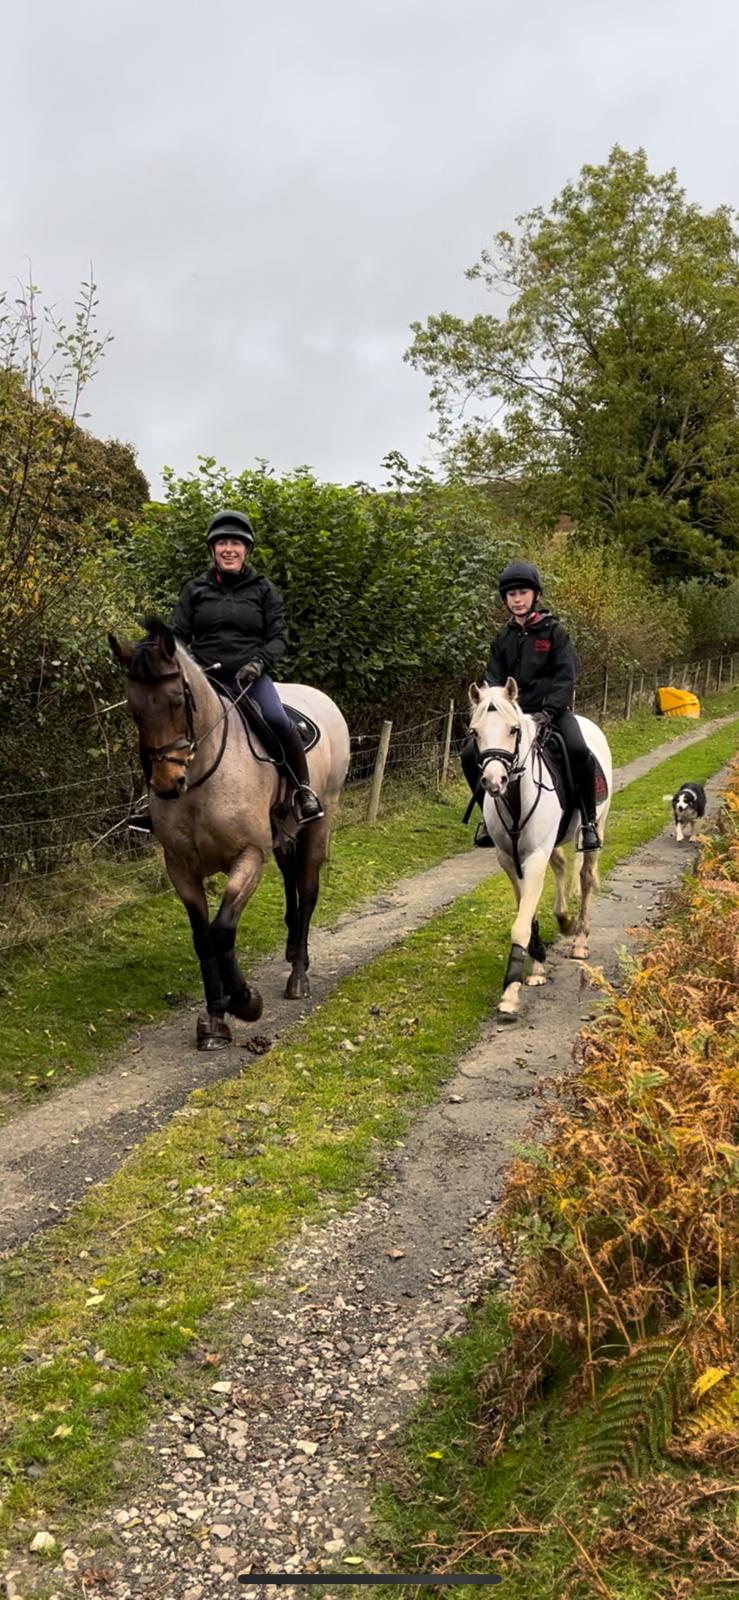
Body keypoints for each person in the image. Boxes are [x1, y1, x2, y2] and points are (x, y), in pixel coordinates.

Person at [129, 509, 323, 830]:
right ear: (212, 550)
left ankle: (302, 789)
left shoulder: (263, 590)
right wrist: (167, 653)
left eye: (236, 543)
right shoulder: (195, 590)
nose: (229, 549)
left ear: (247, 550)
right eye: (222, 543)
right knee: (158, 722)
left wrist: (259, 663)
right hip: (206, 680)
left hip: (250, 678)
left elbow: (278, 637)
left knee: (276, 718)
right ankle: (152, 800)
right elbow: (179, 634)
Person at [461, 559, 601, 852]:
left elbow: (565, 678)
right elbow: (493, 679)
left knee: (578, 750)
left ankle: (588, 823)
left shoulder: (554, 632)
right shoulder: (503, 638)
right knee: (469, 754)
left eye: (523, 592)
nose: (517, 599)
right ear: (505, 599)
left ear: (535, 595)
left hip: (551, 714)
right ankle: (489, 816)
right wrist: (493, 706)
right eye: (511, 594)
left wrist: (547, 712)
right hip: (511, 718)